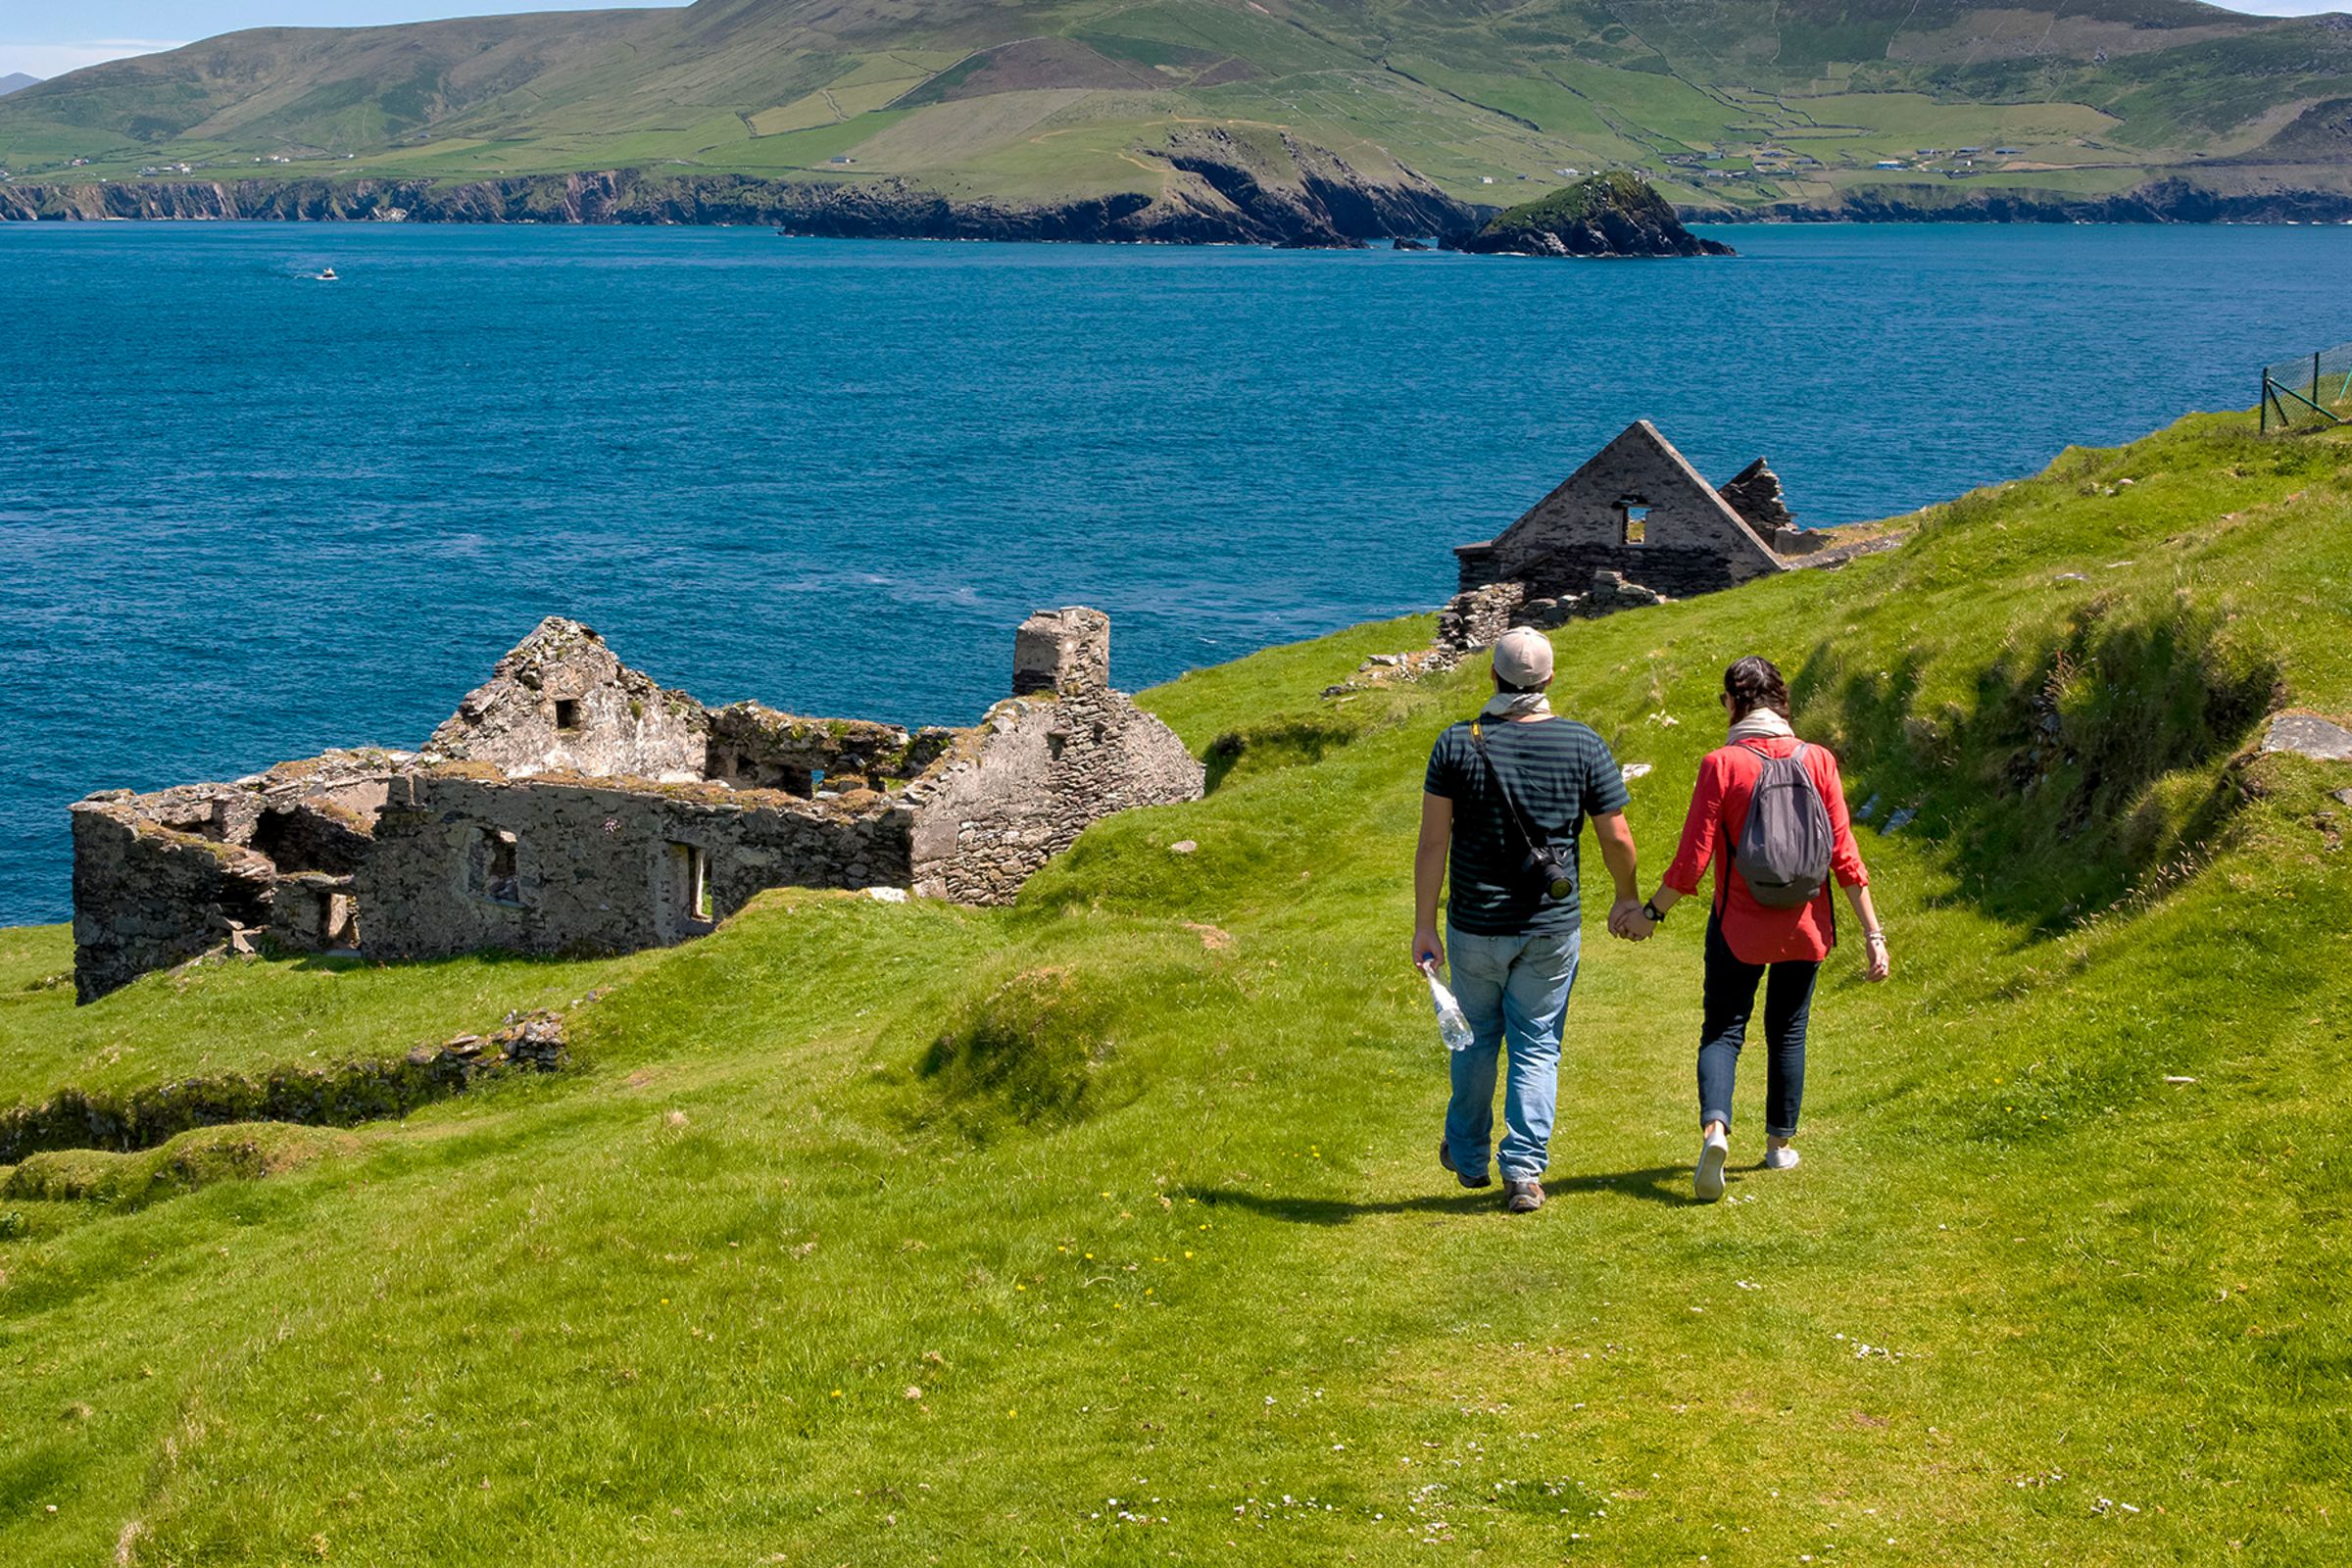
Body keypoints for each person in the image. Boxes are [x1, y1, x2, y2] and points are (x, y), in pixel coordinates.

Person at [1615, 656, 1889, 1201]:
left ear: (1731, 703)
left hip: (1737, 926)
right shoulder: (1820, 761)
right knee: (1788, 1030)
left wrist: (1651, 914)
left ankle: (1716, 1130)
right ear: (1783, 703)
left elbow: (1692, 861)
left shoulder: (1723, 763)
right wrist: (1873, 934)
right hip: (1807, 927)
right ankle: (1778, 1145)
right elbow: (1846, 858)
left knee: (1723, 1029)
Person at [1413, 626, 1643, 1213]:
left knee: (1475, 1039)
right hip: (1550, 923)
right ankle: (1523, 1172)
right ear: (1549, 681)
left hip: (1474, 924)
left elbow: (1433, 844)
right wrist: (1626, 896)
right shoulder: (1583, 743)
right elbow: (1616, 835)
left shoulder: (1456, 744)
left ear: (1492, 677)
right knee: (1537, 1044)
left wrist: (1424, 924)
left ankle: (1466, 1157)